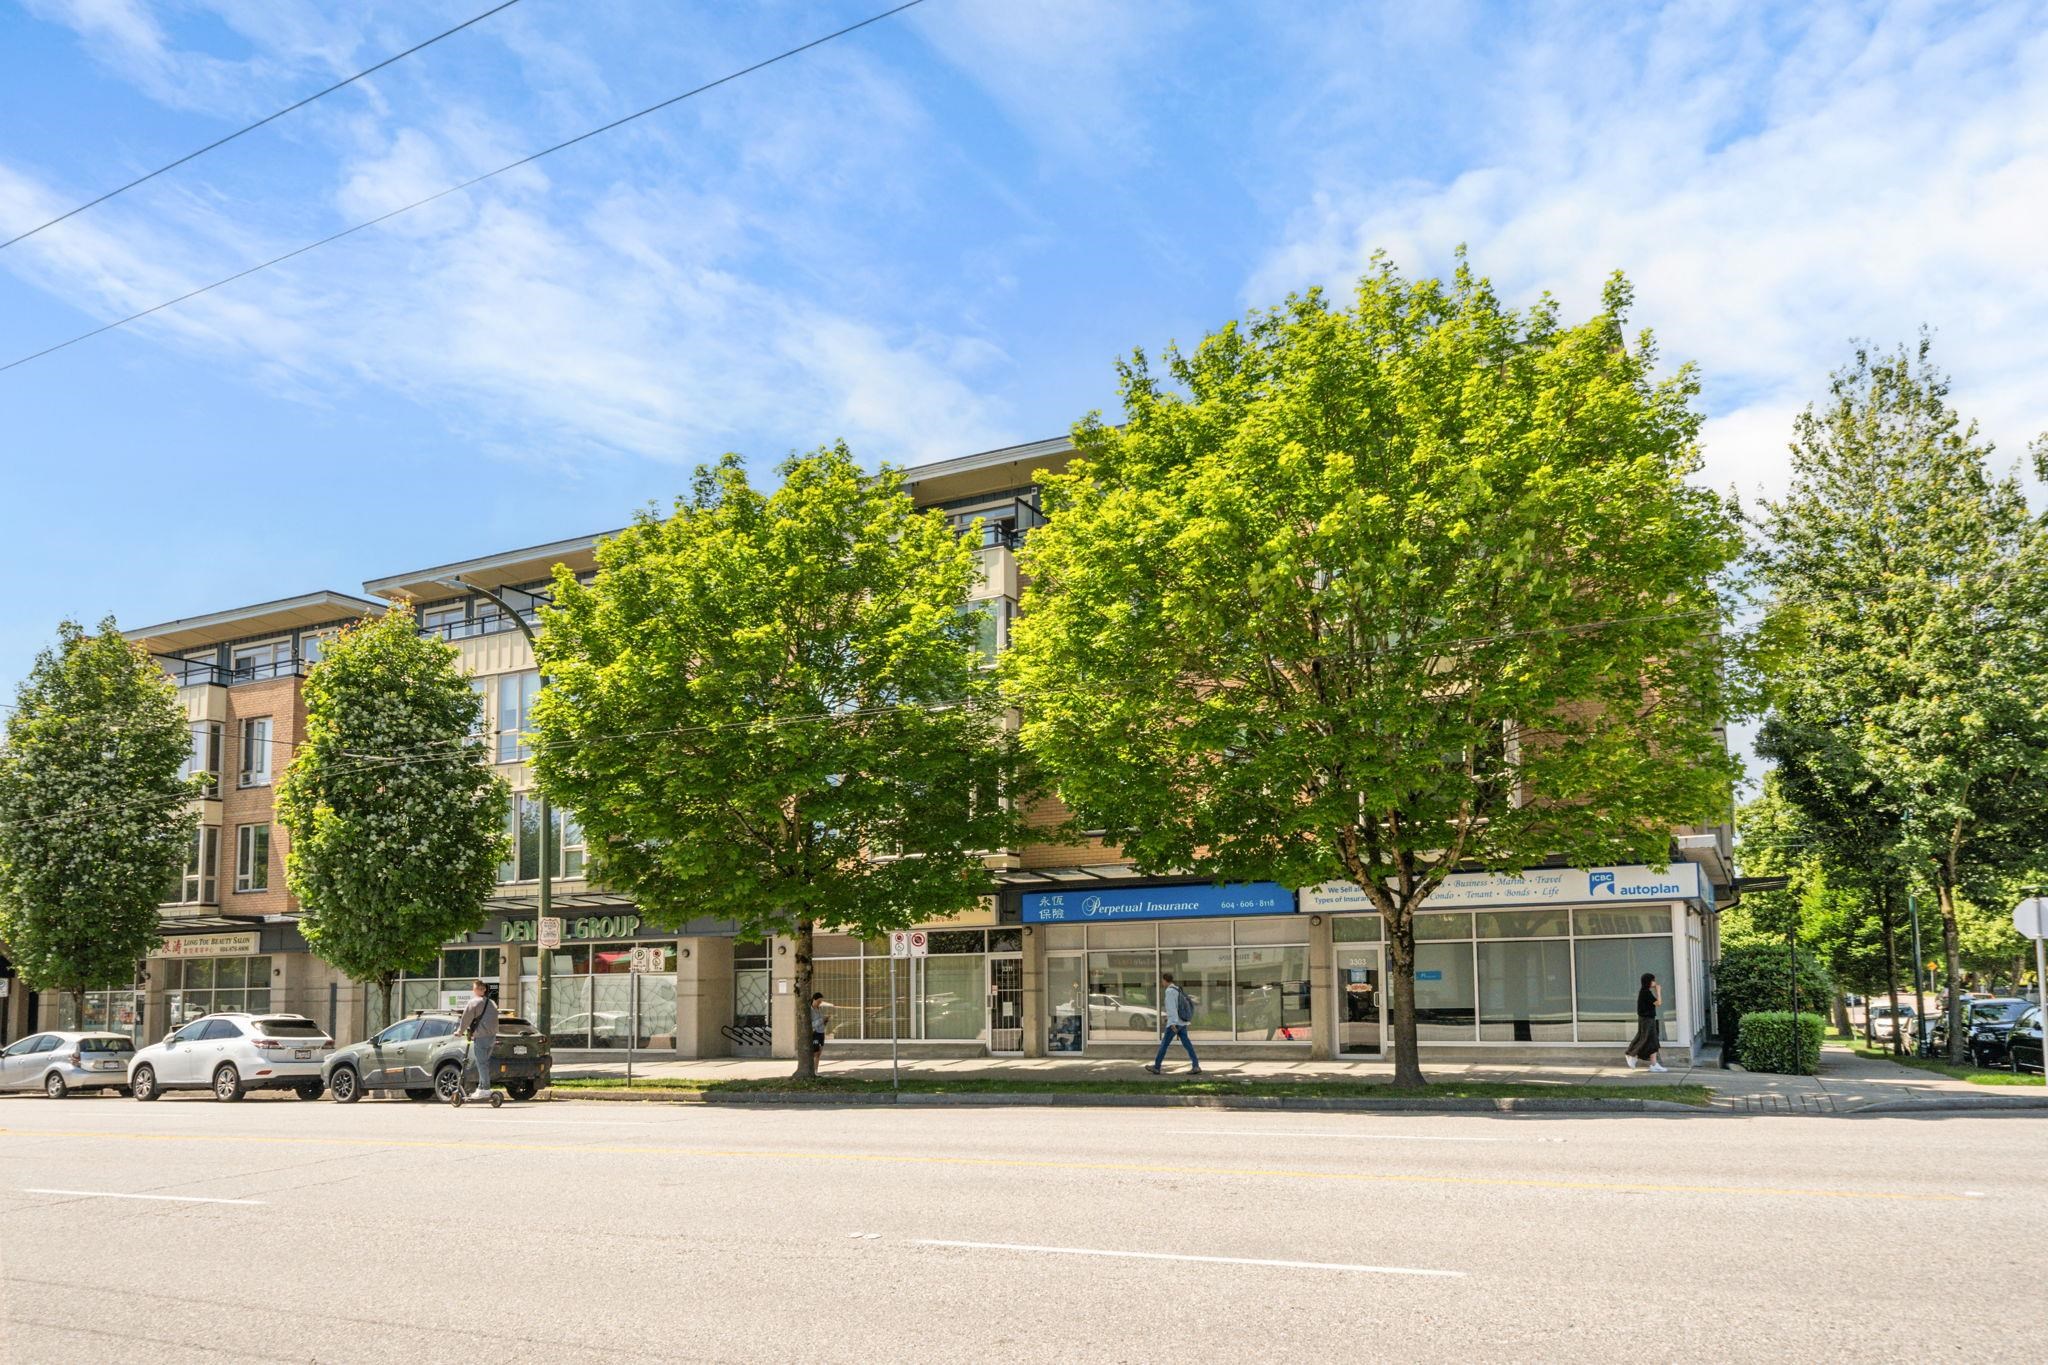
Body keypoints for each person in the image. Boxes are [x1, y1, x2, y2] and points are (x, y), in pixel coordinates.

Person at [1147, 972, 1202, 1075]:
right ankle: (1196, 1066)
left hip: (1174, 1024)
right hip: (1182, 1022)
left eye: (1162, 980)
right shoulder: (1177, 989)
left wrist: (1172, 1023)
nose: (1162, 982)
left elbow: (1171, 1008)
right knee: (1187, 1044)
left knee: (1164, 1044)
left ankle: (1157, 1067)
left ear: (1165, 980)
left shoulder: (1169, 991)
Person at [455, 978, 499, 1099]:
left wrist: (460, 1031)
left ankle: (486, 1089)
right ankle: (481, 1088)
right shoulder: (492, 1003)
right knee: (485, 1063)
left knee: (481, 1063)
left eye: (473, 988)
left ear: (477, 989)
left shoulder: (474, 1002)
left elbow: (466, 1018)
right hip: (492, 1037)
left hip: (481, 1037)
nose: (473, 990)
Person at [1624, 972, 1667, 1072]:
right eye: (1653, 980)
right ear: (1648, 982)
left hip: (1649, 1018)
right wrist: (1658, 991)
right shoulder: (1645, 992)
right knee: (1645, 1038)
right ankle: (1631, 1054)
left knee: (1653, 1041)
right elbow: (1658, 1003)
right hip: (1646, 1019)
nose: (1654, 982)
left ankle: (1654, 1064)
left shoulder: (1645, 991)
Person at [809, 992, 828, 1069]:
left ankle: (816, 1070)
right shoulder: (810, 1010)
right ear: (814, 999)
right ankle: (813, 1069)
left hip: (821, 1032)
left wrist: (825, 1021)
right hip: (815, 1033)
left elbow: (821, 1021)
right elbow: (811, 1024)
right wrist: (821, 1020)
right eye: (818, 1001)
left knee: (819, 1053)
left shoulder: (819, 1009)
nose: (819, 1003)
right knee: (815, 1052)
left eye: (821, 1002)